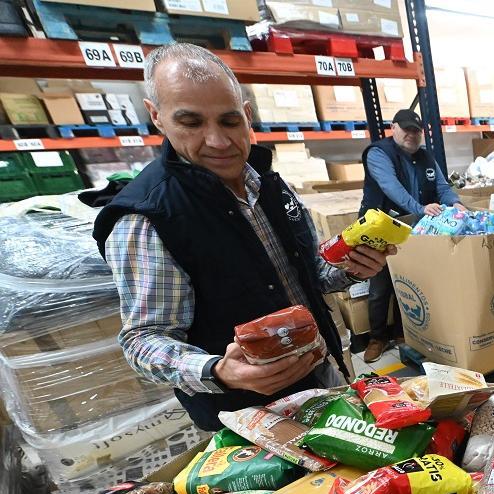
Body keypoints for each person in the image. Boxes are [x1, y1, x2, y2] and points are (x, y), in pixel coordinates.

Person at [92, 43, 393, 431]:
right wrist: (218, 370)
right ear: (157, 117)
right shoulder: (147, 219)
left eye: (230, 121)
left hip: (323, 377)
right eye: (192, 123)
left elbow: (310, 273)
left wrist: (352, 268)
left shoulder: (266, 183)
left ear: (247, 116)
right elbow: (143, 340)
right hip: (250, 418)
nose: (217, 141)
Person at [360, 109, 463, 363]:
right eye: (406, 129)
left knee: (406, 279)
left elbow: (441, 186)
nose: (411, 135)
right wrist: (420, 208)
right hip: (380, 226)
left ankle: (401, 333)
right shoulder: (378, 154)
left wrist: (456, 203)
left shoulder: (426, 157)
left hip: (413, 229)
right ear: (393, 127)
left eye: (416, 131)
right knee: (380, 283)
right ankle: (377, 337)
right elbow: (390, 187)